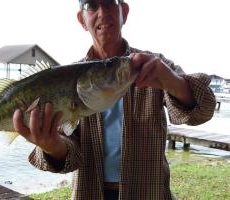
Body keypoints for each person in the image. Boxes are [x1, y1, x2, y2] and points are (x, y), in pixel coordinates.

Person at [13, 0, 216, 199]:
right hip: (89, 191)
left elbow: (204, 111)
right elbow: (69, 155)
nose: (102, 12)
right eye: (91, 5)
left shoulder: (154, 67)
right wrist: (52, 146)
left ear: (124, 12)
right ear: (82, 20)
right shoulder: (69, 81)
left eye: (110, 2)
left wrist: (173, 82)